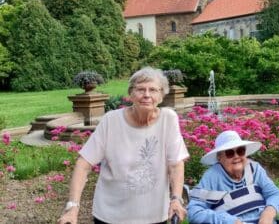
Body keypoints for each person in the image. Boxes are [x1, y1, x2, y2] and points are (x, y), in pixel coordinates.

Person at [58, 67, 189, 224]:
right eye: (140, 89)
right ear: (131, 94)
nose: (147, 95)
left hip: (154, 216)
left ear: (161, 96)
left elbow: (175, 164)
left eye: (153, 90)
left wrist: (176, 199)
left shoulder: (168, 119)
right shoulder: (111, 120)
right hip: (111, 216)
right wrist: (73, 207)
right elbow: (83, 163)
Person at [187, 130, 279, 224]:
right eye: (230, 153)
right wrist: (229, 221)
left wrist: (268, 213)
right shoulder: (212, 176)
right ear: (219, 157)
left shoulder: (254, 168)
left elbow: (275, 194)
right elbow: (194, 212)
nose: (236, 156)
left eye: (240, 151)